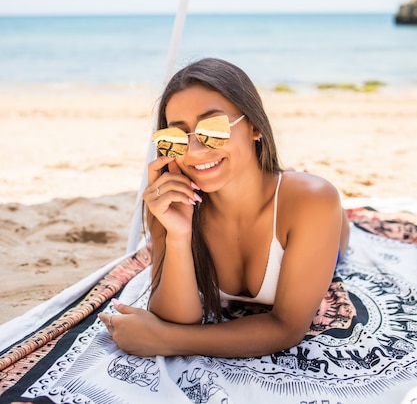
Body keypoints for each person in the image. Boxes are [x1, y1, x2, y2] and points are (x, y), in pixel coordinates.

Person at [99, 57, 350, 358]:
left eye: (214, 129)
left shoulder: (313, 201)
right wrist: (178, 235)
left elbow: (287, 328)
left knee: (317, 198)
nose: (194, 150)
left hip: (310, 220)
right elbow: (177, 320)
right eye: (176, 137)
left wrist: (168, 340)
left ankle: (293, 175)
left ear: (255, 126)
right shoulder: (169, 202)